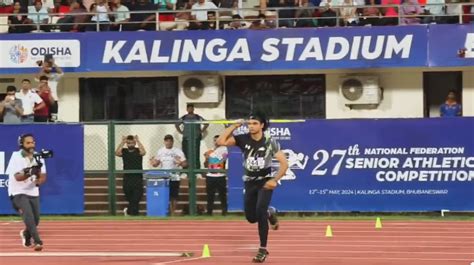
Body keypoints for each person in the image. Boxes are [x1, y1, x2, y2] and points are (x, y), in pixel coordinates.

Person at [216, 112, 288, 263]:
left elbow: (284, 163)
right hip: (249, 182)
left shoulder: (270, 141)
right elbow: (221, 141)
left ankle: (262, 249)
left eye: (255, 123)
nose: (251, 126)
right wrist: (234, 126)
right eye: (249, 123)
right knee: (251, 218)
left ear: (262, 125)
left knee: (260, 211)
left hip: (265, 182)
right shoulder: (243, 138)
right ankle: (270, 212)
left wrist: (275, 180)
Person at [6, 133, 47, 251]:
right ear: (22, 144)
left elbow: (43, 175)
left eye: (33, 142)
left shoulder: (38, 156)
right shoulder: (16, 157)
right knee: (28, 216)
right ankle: (38, 241)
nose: (31, 145)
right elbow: (18, 177)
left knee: (36, 220)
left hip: (33, 191)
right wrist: (30, 172)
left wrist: (38, 181)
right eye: (28, 143)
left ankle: (26, 234)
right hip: (17, 191)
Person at [150, 135, 187, 216]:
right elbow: (156, 164)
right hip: (164, 175)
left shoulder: (178, 151)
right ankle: (165, 211)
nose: (168, 142)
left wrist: (180, 162)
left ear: (172, 142)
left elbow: (185, 164)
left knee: (174, 195)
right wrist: (153, 162)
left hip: (174, 175)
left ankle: (173, 212)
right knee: (165, 194)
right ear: (164, 142)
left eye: (170, 141)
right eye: (167, 141)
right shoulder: (160, 151)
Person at [115, 135, 146, 216]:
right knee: (130, 197)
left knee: (136, 197)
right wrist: (122, 142)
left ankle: (130, 212)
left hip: (137, 178)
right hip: (127, 178)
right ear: (126, 144)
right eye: (128, 143)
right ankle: (131, 212)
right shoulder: (124, 151)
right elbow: (117, 153)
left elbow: (143, 152)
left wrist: (138, 141)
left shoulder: (138, 150)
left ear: (134, 143)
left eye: (132, 143)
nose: (130, 144)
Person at [175, 103, 208, 170]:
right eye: (188, 108)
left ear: (193, 109)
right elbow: (176, 124)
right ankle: (185, 170)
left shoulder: (198, 117)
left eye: (191, 108)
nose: (190, 109)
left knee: (196, 155)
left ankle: (197, 170)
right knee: (185, 155)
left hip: (195, 139)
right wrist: (181, 132)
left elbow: (206, 123)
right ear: (187, 109)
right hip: (186, 139)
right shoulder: (184, 117)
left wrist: (201, 131)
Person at [203, 135, 228, 216]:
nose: (216, 142)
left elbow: (223, 159)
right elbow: (206, 164)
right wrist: (206, 158)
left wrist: (213, 156)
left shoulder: (224, 149)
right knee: (210, 195)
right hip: (210, 176)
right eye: (215, 140)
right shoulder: (210, 150)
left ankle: (224, 211)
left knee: (222, 194)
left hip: (220, 175)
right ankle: (209, 211)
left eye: (218, 140)